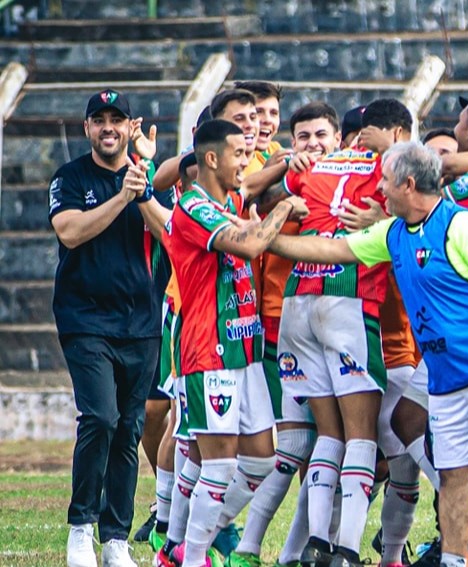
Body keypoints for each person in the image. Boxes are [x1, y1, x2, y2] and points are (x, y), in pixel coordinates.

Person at [266, 140, 468, 567]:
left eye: (385, 183)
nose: (380, 191)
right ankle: (455, 560)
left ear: (408, 184)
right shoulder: (392, 233)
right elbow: (332, 250)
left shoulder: (465, 227)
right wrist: (266, 241)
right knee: (454, 476)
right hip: (446, 382)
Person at [146, 119, 307, 567]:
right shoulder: (194, 208)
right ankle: (188, 556)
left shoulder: (229, 200)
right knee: (217, 468)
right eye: (239, 154)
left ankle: (185, 545)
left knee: (259, 461)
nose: (246, 163)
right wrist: (283, 209)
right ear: (212, 159)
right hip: (208, 351)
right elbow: (253, 244)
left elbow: (246, 222)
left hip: (245, 351)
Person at [277, 98, 412, 567]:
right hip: (347, 292)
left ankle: (316, 544)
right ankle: (349, 550)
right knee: (361, 436)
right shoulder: (389, 164)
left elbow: (289, 182)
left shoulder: (311, 166)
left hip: (298, 294)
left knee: (327, 434)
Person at [228, 101, 342, 567]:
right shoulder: (277, 184)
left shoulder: (348, 184)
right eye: (304, 137)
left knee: (326, 448)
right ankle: (228, 541)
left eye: (321, 136)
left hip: (345, 329)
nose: (313, 145)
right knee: (300, 445)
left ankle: (298, 551)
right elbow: (243, 201)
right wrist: (279, 177)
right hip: (282, 332)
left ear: (338, 141)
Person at [50, 89, 160, 567]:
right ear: (87, 128)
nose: (108, 127)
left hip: (141, 320)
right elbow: (70, 232)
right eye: (100, 119)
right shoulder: (70, 176)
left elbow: (172, 235)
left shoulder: (147, 178)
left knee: (129, 428)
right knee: (100, 418)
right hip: (85, 316)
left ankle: (116, 538)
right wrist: (122, 197)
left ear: (130, 126)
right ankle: (81, 528)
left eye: (117, 119)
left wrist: (146, 186)